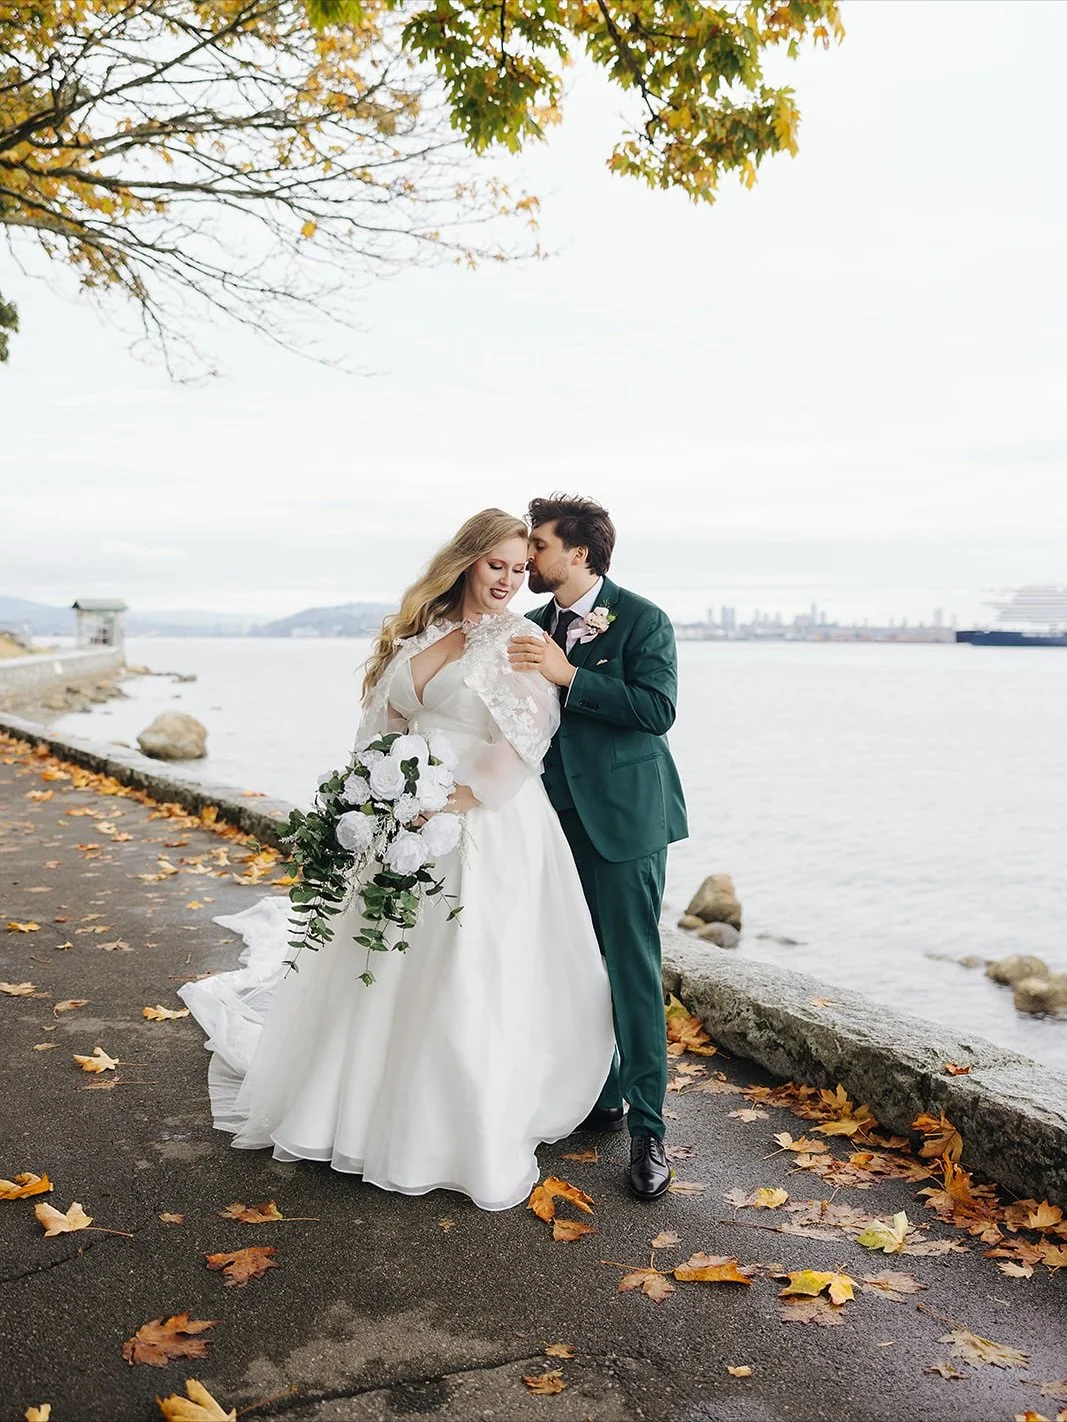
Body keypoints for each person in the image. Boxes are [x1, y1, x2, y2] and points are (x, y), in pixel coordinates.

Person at [179, 509, 616, 1212]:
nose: (508, 579)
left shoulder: (521, 639)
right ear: (466, 562)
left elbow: (527, 738)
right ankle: (350, 1107)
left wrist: (454, 799)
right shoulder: (423, 633)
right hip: (401, 814)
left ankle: (446, 1126)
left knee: (460, 967)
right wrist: (373, 792)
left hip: (481, 824)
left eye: (517, 568)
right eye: (494, 565)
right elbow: (383, 724)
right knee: (380, 960)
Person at [508, 495, 688, 1200]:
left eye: (540, 545)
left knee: (631, 969)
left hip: (625, 820)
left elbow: (656, 710)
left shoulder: (643, 619)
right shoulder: (523, 627)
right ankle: (599, 1094)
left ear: (579, 553)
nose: (529, 558)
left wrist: (570, 675)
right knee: (567, 962)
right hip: (547, 822)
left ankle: (648, 1127)